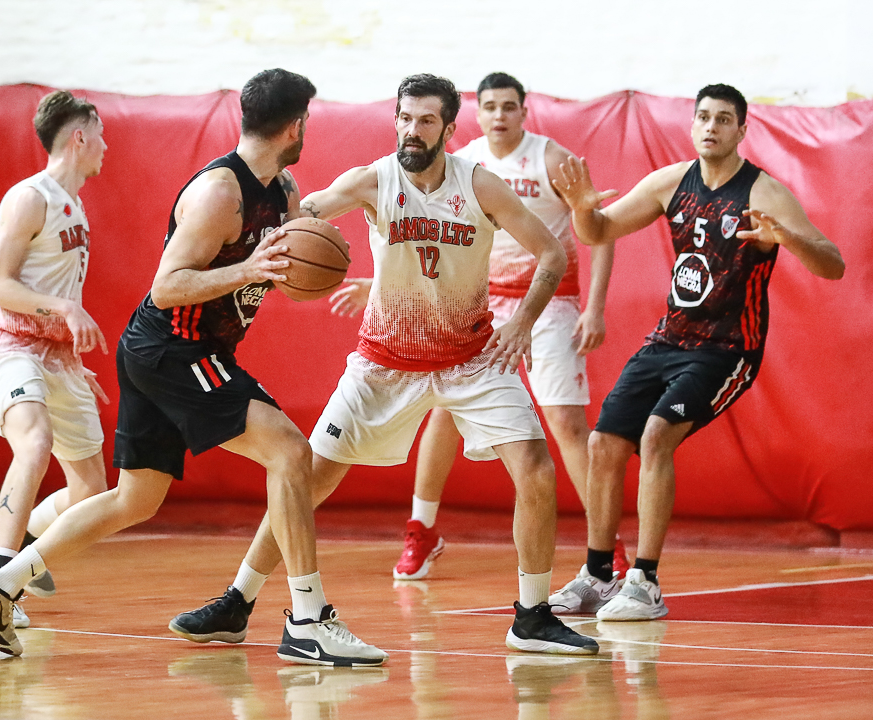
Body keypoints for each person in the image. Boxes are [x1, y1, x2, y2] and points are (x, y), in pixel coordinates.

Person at [0, 69, 386, 667]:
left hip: (174, 351)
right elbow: (166, 287)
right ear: (295, 125)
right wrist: (249, 270)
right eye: (306, 120)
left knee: (135, 500)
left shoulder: (282, 192)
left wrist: (309, 274)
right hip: (174, 350)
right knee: (290, 452)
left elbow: (286, 274)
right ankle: (308, 619)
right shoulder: (219, 192)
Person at [175, 73, 599, 655]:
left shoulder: (481, 185)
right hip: (385, 362)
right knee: (308, 479)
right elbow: (298, 219)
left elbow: (553, 251)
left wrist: (523, 320)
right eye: (404, 118)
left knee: (535, 466)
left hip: (471, 356)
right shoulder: (374, 180)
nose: (411, 130)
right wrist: (246, 246)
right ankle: (238, 601)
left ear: (450, 129)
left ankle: (531, 615)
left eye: (426, 120)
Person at [548, 84, 845, 619]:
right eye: (703, 117)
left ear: (741, 130)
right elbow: (598, 231)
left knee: (657, 435)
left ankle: (647, 581)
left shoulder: (764, 193)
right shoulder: (671, 182)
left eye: (724, 119)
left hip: (729, 348)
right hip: (670, 338)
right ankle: (596, 576)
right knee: (602, 443)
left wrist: (787, 239)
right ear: (692, 125)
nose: (711, 127)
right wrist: (580, 207)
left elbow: (832, 263)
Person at [329, 72, 626, 584]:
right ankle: (420, 529)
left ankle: (607, 547)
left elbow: (595, 232)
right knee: (442, 415)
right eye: (490, 106)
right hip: (478, 305)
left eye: (509, 107)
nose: (499, 116)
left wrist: (593, 307)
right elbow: (421, 240)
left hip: (546, 303)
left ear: (523, 112)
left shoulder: (549, 160)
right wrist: (376, 283)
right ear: (476, 115)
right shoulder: (457, 162)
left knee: (565, 425)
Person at [0, 90, 111, 632]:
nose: (105, 146)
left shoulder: (75, 206)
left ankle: (17, 540)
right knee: (35, 443)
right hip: (12, 346)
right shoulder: (30, 198)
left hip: (56, 357)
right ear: (79, 137)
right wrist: (64, 308)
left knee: (91, 494)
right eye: (100, 135)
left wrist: (69, 349)